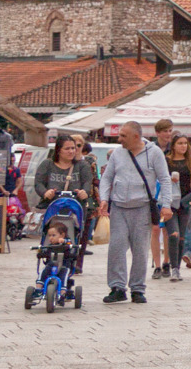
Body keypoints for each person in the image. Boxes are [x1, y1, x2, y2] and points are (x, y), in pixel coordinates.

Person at [98, 119, 171, 305]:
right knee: (116, 247)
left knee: (140, 249)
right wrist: (104, 198)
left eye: (123, 136)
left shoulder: (154, 153)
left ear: (136, 137)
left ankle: (138, 288)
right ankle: (117, 287)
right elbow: (106, 178)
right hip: (119, 207)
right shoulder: (117, 153)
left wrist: (166, 204)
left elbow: (165, 179)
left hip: (142, 207)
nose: (119, 139)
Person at [31, 134, 98, 262]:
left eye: (73, 148)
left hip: (74, 209)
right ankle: (49, 260)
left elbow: (87, 183)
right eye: (67, 148)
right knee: (50, 237)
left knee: (74, 238)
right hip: (53, 208)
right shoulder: (47, 164)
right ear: (58, 150)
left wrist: (84, 192)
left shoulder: (82, 165)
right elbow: (38, 183)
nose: (71, 151)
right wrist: (45, 192)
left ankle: (73, 263)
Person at [162, 133, 191, 281]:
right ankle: (173, 268)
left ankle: (177, 269)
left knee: (182, 237)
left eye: (185, 143)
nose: (183, 146)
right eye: (180, 143)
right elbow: (159, 178)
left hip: (185, 202)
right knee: (174, 234)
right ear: (173, 145)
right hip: (169, 202)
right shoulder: (166, 161)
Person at [148, 118, 178, 265]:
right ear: (157, 133)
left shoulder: (175, 149)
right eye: (165, 131)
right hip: (154, 192)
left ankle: (166, 262)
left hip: (170, 192)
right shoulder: (150, 149)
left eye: (170, 131)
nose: (168, 134)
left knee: (167, 230)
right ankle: (157, 264)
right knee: (155, 229)